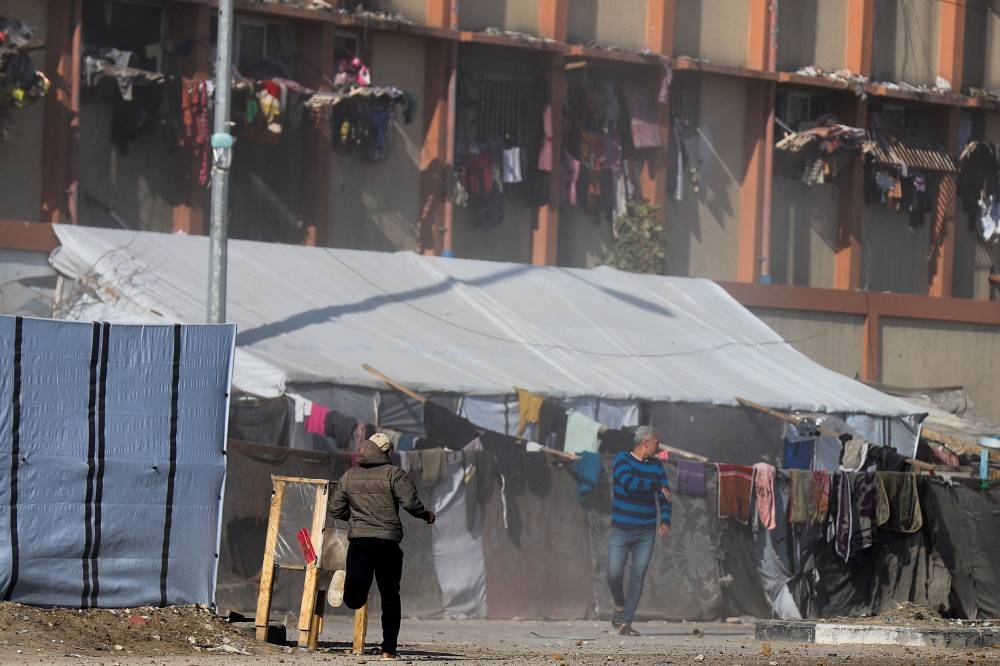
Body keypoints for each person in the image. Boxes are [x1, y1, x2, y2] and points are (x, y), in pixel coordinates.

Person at [329, 433, 435, 660]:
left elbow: (335, 509)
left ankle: (347, 588)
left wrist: (357, 517)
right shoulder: (394, 474)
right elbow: (410, 503)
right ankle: (388, 651)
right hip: (387, 544)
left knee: (356, 598)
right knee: (390, 596)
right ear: (387, 452)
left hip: (359, 542)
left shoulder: (349, 476)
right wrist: (427, 514)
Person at [607, 425, 671, 636]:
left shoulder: (657, 466)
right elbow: (628, 482)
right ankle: (619, 604)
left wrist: (666, 520)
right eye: (656, 443)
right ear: (646, 442)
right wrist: (655, 485)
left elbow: (665, 495)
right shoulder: (622, 459)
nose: (658, 447)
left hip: (645, 530)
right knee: (614, 573)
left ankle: (626, 622)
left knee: (638, 575)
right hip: (622, 528)